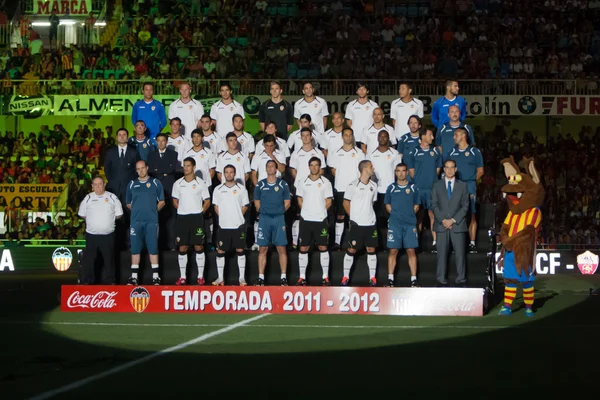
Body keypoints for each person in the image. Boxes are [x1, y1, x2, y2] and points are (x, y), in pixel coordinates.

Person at [172, 157, 211, 285]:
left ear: (194, 167)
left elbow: (207, 201)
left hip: (196, 218)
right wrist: (183, 210)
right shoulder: (177, 183)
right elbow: (175, 201)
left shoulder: (201, 183)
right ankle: (182, 277)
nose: (185, 168)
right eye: (184, 166)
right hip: (182, 218)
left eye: (188, 166)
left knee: (198, 246)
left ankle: (200, 276)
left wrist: (200, 213)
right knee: (182, 247)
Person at [126, 160, 165, 285]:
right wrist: (138, 211)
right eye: (138, 169)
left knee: (153, 248)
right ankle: (134, 277)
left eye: (143, 168)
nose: (141, 170)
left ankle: (155, 277)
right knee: (135, 249)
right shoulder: (132, 184)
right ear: (136, 170)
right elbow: (128, 203)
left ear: (147, 168)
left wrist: (152, 211)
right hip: (136, 222)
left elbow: (162, 201)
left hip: (151, 222)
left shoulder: (155, 183)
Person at [77, 176, 123, 284]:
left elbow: (119, 214)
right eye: (95, 184)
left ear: (104, 184)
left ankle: (110, 282)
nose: (98, 187)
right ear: (92, 186)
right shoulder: (87, 198)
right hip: (91, 235)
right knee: (89, 260)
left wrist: (106, 221)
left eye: (100, 184)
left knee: (109, 260)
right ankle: (88, 282)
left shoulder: (112, 197)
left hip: (108, 235)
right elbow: (83, 215)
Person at [431, 159, 469, 287]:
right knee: (441, 255)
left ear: (456, 169)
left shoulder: (463, 186)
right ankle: (440, 279)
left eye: (452, 167)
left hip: (457, 225)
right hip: (441, 225)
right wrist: (443, 220)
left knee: (460, 255)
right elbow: (434, 205)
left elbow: (465, 206)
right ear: (443, 169)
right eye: (447, 167)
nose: (449, 170)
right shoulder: (436, 185)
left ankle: (461, 280)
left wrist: (452, 220)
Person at [296, 157, 333, 286]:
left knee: (323, 246)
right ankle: (302, 277)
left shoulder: (326, 183)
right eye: (311, 165)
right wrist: (307, 210)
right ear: (309, 166)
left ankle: (325, 277)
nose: (314, 167)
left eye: (316, 165)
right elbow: (299, 199)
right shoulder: (301, 182)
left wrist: (320, 211)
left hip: (320, 219)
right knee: (303, 247)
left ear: (320, 167)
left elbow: (329, 201)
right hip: (306, 219)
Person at [254, 160, 292, 286]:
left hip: (278, 219)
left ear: (276, 169)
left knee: (281, 248)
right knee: (263, 248)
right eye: (268, 166)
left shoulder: (283, 185)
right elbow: (257, 203)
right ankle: (260, 278)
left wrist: (278, 212)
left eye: (272, 166)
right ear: (266, 169)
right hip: (264, 219)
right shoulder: (260, 185)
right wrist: (266, 212)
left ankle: (283, 277)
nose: (270, 168)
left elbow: (287, 202)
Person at [212, 165, 250, 285]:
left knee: (240, 250)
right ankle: (220, 278)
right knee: (221, 251)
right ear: (223, 174)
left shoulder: (241, 189)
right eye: (226, 172)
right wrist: (224, 216)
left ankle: (242, 279)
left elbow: (245, 206)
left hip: (238, 225)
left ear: (235, 173)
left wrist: (237, 216)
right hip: (223, 225)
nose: (229, 174)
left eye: (231, 172)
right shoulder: (217, 189)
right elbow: (216, 206)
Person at [342, 160, 378, 286]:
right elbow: (346, 203)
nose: (373, 168)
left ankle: (372, 277)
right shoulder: (353, 185)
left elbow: (372, 203)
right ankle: (345, 276)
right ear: (364, 169)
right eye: (371, 166)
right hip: (357, 224)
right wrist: (353, 218)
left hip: (370, 223)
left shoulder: (374, 185)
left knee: (371, 248)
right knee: (351, 249)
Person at [405, 128, 442, 252]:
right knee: (418, 216)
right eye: (430, 135)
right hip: (418, 190)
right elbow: (411, 172)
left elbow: (438, 169)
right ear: (423, 136)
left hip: (432, 189)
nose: (432, 138)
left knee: (433, 215)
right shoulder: (413, 151)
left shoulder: (435, 151)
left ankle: (436, 243)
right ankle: (416, 243)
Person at [449, 127, 484, 253]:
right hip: (455, 187)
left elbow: (480, 171)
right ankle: (455, 243)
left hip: (469, 186)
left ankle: (472, 243)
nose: (454, 137)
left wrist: (470, 180)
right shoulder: (452, 152)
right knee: (455, 215)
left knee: (471, 214)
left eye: (456, 135)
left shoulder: (475, 152)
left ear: (463, 136)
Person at [329, 127, 364, 250]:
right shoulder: (335, 153)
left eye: (350, 135)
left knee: (355, 216)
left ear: (353, 137)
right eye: (346, 135)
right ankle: (338, 243)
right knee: (340, 216)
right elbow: (333, 170)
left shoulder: (360, 153)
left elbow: (362, 171)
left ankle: (355, 241)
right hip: (340, 188)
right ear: (342, 137)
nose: (348, 137)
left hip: (355, 189)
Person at [385, 163, 419, 287]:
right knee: (393, 250)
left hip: (410, 224)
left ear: (406, 172)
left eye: (403, 171)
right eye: (398, 171)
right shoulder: (391, 188)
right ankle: (390, 279)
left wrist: (408, 214)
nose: (401, 173)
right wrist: (396, 214)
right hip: (395, 224)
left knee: (411, 250)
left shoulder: (414, 188)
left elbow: (417, 205)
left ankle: (414, 280)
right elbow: (387, 205)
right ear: (395, 172)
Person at [104, 128, 138, 250]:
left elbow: (136, 171)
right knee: (114, 217)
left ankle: (129, 245)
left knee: (129, 217)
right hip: (114, 190)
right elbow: (107, 169)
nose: (122, 136)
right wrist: (113, 182)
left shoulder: (133, 152)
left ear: (127, 137)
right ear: (116, 137)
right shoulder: (110, 152)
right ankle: (116, 245)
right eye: (120, 134)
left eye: (124, 134)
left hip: (129, 190)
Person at [366, 130, 402, 248]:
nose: (382, 138)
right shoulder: (371, 154)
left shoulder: (395, 154)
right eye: (380, 136)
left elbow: (398, 173)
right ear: (377, 138)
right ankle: (377, 243)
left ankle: (390, 244)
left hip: (390, 192)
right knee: (375, 219)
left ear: (388, 138)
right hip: (375, 192)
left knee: (389, 220)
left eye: (385, 136)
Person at [147, 133, 178, 251]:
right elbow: (151, 171)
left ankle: (171, 244)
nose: (160, 143)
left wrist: (158, 171)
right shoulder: (151, 155)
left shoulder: (173, 154)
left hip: (169, 189)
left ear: (166, 142)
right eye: (158, 140)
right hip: (155, 189)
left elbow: (171, 169)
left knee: (171, 217)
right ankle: (158, 244)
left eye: (163, 140)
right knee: (157, 217)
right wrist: (163, 172)